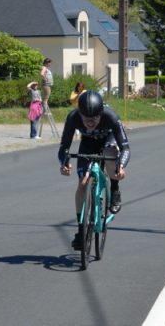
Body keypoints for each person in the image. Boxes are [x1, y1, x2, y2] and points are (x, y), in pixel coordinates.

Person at [57, 91, 130, 250]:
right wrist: (64, 163)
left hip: (109, 140)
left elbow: (125, 148)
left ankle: (114, 188)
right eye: (86, 119)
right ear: (80, 114)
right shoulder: (73, 117)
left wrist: (121, 165)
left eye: (95, 119)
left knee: (111, 154)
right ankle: (81, 229)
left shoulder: (111, 116)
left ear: (101, 113)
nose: (90, 123)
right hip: (88, 143)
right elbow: (64, 147)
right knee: (83, 183)